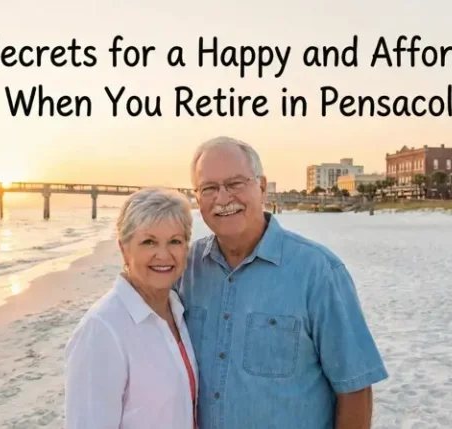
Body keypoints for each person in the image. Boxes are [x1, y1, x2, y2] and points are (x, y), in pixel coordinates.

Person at [176, 136, 388, 429]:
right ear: (197, 197)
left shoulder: (318, 271)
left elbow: (355, 388)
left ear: (261, 187)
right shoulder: (184, 269)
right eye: (209, 188)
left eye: (235, 183)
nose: (223, 198)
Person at [64, 187, 198, 429]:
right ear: (124, 248)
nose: (163, 254)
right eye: (149, 242)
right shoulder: (102, 329)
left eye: (175, 241)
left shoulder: (178, 310)